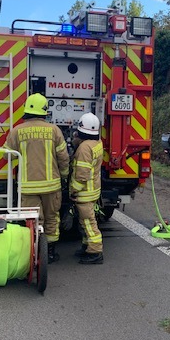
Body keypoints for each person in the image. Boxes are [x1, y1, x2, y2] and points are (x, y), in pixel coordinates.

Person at [4, 93, 69, 263]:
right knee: (52, 218)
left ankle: (33, 252)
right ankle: (50, 252)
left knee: (32, 220)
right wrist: (64, 176)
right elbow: (63, 157)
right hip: (51, 186)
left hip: (28, 187)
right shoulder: (54, 130)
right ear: (45, 111)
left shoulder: (17, 131)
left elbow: (6, 156)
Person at [69, 113, 104, 264]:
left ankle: (95, 252)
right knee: (85, 221)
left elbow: (82, 175)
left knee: (89, 222)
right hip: (93, 190)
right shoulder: (97, 143)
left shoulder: (84, 148)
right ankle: (87, 246)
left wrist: (73, 190)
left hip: (84, 192)